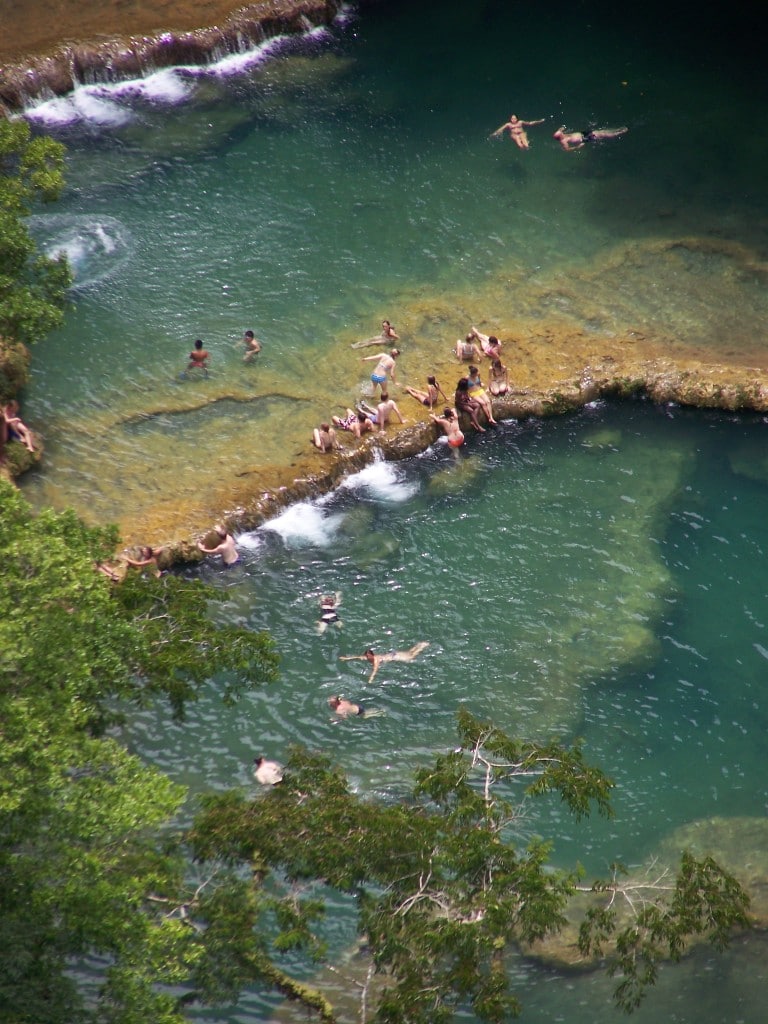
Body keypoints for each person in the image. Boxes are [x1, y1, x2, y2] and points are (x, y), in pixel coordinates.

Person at [339, 641, 429, 684]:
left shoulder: (375, 660)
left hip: (395, 656)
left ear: (371, 655)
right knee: (409, 653)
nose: (367, 658)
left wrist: (371, 678)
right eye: (367, 656)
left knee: (411, 657)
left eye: (368, 656)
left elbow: (375, 669)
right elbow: (358, 657)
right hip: (393, 654)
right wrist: (347, 658)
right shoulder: (369, 658)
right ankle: (419, 645)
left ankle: (422, 646)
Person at [553, 126, 628, 151]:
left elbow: (560, 129)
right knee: (601, 135)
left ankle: (616, 130)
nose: (562, 132)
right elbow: (567, 149)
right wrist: (577, 147)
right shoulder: (564, 141)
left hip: (582, 133)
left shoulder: (560, 134)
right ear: (560, 137)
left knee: (600, 132)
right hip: (584, 139)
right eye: (561, 134)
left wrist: (562, 128)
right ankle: (618, 133)